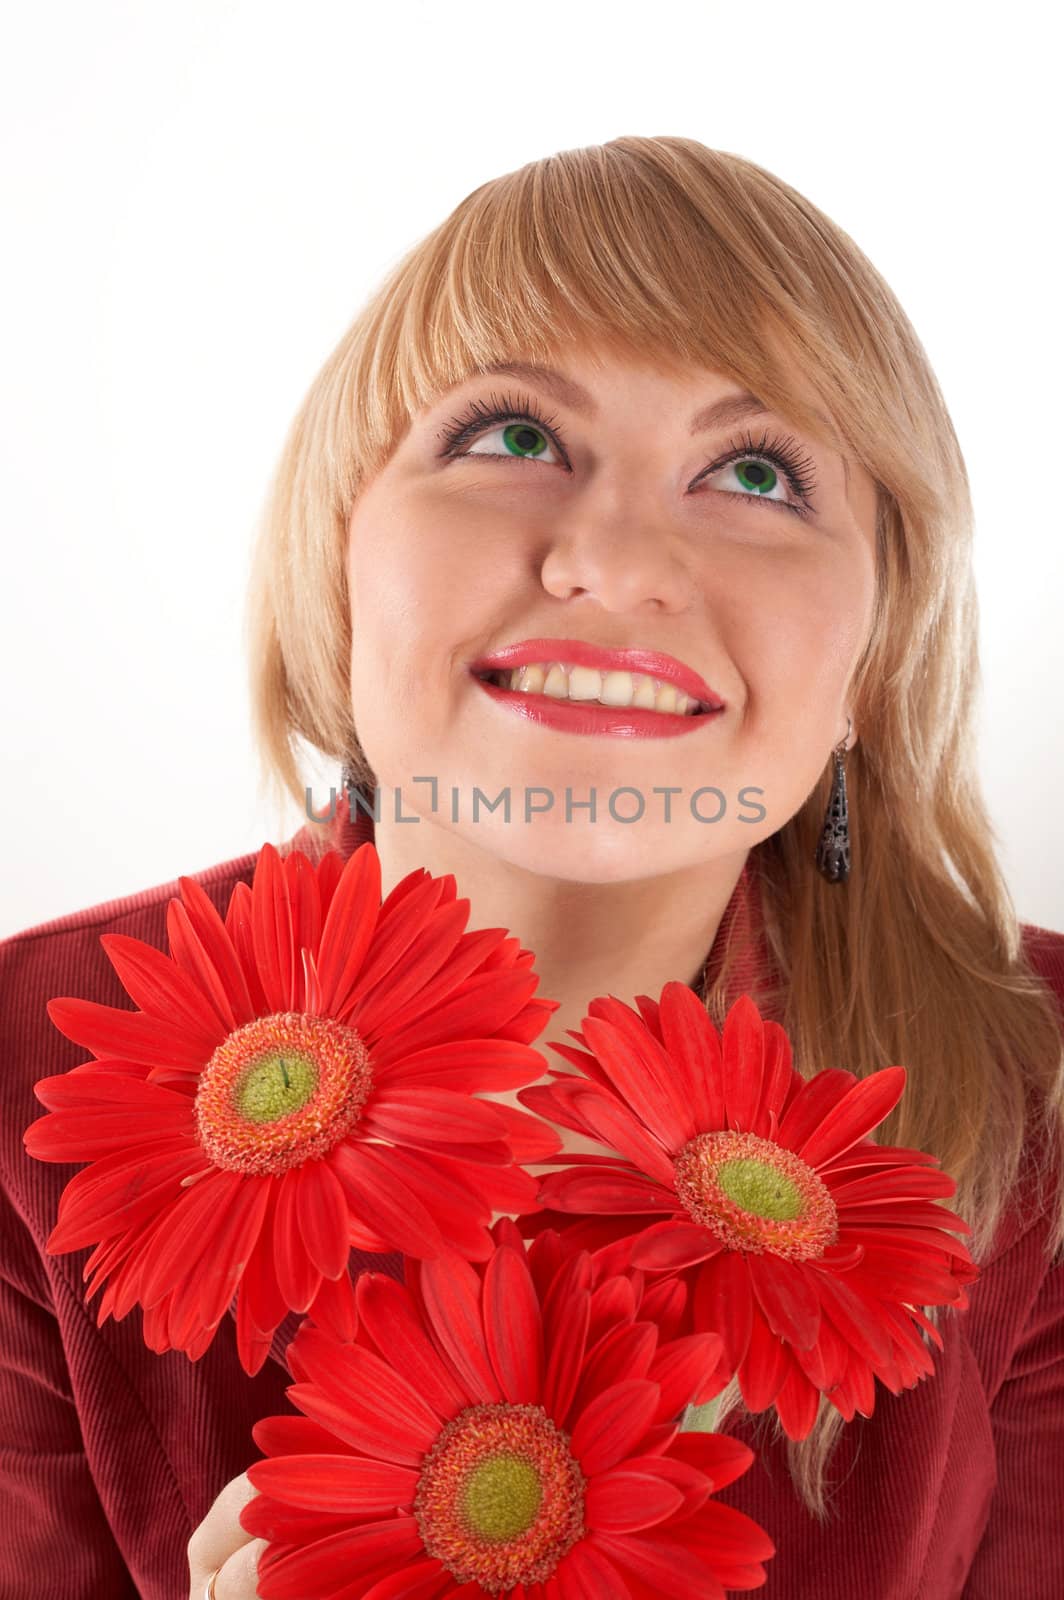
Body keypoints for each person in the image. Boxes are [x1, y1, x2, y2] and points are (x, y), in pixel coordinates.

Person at [1, 135, 1061, 1600]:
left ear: (876, 656)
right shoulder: (19, 1070)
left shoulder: (1045, 1090)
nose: (614, 559)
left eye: (754, 470)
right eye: (513, 438)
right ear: (340, 555)